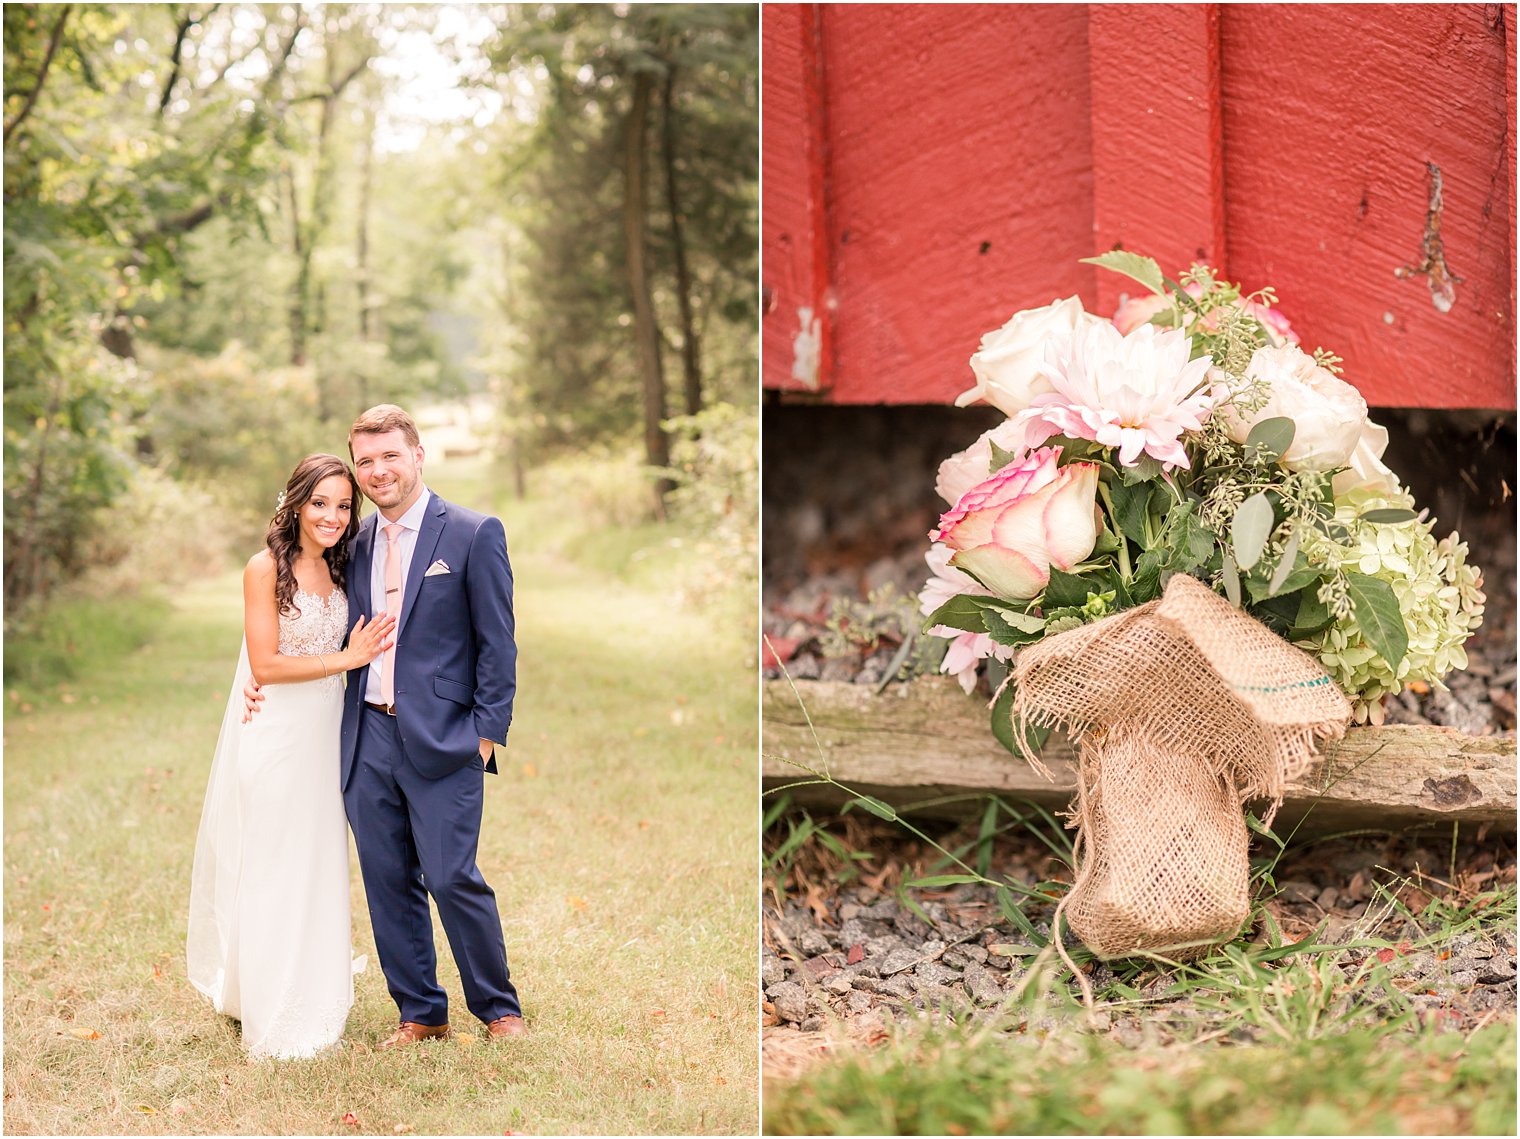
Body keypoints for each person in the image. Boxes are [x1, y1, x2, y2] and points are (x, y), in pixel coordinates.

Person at [246, 405, 525, 1049]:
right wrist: (258, 686)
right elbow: (303, 621)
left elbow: (498, 642)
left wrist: (486, 733)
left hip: (446, 735)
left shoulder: (472, 532)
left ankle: (497, 1007)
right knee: (386, 876)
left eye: (389, 456)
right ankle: (421, 1011)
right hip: (366, 734)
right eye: (365, 460)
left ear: (417, 455)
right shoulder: (353, 542)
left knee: (453, 875)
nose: (377, 472)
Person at [187, 454, 395, 1060]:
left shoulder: (343, 564)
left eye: (342, 505)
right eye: (320, 502)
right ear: (296, 503)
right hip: (277, 740)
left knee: (317, 863)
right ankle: (271, 1004)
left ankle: (313, 985)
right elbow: (268, 665)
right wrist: (347, 659)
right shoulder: (263, 568)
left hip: (328, 741)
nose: (332, 516)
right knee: (275, 863)